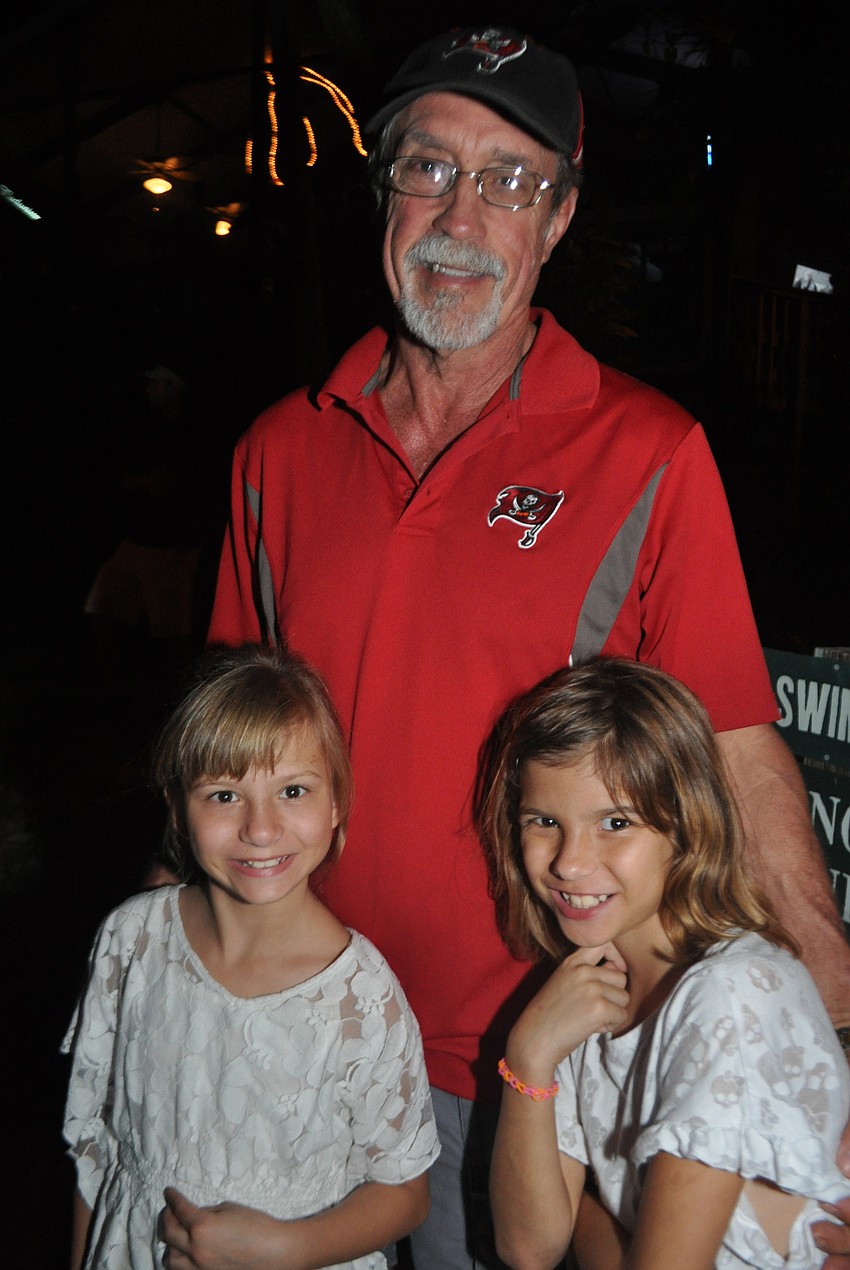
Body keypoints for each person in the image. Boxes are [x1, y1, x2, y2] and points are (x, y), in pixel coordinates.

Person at [206, 25, 850, 1267]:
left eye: (509, 182)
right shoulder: (276, 450)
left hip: (521, 1071)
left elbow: (731, 729)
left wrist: (830, 1002)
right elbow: (221, 755)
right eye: (427, 168)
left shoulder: (649, 452)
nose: (460, 214)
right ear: (379, 189)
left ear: (557, 221)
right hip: (293, 1034)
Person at [62, 644, 439, 1270]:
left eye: (293, 790)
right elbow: (94, 1145)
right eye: (223, 795)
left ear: (338, 801)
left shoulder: (359, 997)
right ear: (177, 808)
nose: (260, 830)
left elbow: (405, 1193)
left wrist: (285, 1247)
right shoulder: (131, 941)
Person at [481, 657, 850, 1269]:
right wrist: (528, 1054)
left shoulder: (729, 993)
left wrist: (590, 1217)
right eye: (545, 821)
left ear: (687, 828)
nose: (570, 862)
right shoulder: (587, 984)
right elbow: (528, 1245)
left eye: (615, 823)